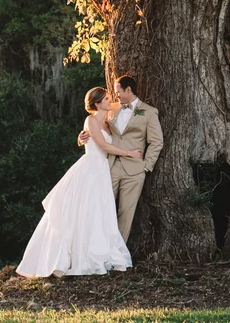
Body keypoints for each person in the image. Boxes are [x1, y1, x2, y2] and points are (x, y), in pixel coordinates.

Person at [16, 87, 142, 278]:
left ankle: (100, 251)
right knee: (85, 211)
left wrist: (125, 98)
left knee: (100, 212)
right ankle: (79, 257)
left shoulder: (107, 119)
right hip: (90, 170)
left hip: (101, 171)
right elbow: (102, 145)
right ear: (97, 104)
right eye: (106, 99)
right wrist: (129, 153)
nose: (110, 100)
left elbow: (121, 105)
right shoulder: (90, 120)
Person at [78, 75, 163, 243]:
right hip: (109, 166)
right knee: (102, 208)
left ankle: (117, 253)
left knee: (126, 213)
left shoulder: (149, 112)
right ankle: (97, 247)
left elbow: (156, 141)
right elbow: (95, 127)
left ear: (128, 90)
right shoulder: (111, 108)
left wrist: (146, 165)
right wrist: (81, 138)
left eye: (117, 92)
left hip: (135, 171)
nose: (115, 95)